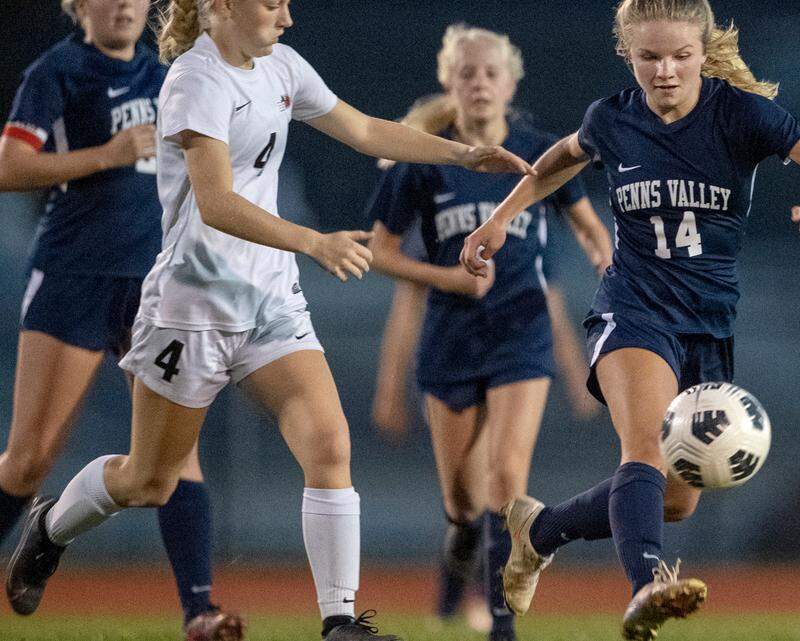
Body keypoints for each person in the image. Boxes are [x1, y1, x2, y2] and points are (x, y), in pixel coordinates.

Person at [4, 2, 533, 640]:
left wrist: (464, 154)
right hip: (192, 309)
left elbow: (364, 130)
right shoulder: (194, 80)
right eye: (273, 3)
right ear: (222, 7)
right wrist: (313, 243)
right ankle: (52, 524)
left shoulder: (279, 65)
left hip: (270, 302)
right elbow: (218, 203)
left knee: (330, 446)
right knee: (148, 479)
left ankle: (340, 622)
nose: (286, 17)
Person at [460, 1, 800, 639]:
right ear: (628, 54)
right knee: (644, 448)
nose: (666, 71)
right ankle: (649, 585)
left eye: (680, 55)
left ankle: (538, 531)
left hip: (706, 324)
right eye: (649, 57)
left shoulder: (740, 114)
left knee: (674, 498)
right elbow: (559, 161)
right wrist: (499, 217)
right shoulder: (612, 118)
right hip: (632, 307)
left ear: (703, 53)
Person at [0, 1, 243, 637]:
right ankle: (42, 525)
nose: (125, 4)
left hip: (154, 287)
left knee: (175, 456)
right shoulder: (57, 70)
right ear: (79, 6)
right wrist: (104, 156)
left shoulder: (173, 74)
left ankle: (200, 612)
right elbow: (9, 165)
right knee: (27, 463)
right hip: (74, 277)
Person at [364, 25, 612, 641]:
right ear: (450, 82)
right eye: (467, 73)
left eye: (490, 73)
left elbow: (587, 228)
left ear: (511, 83)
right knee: (463, 505)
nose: (478, 83)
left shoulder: (537, 153)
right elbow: (380, 253)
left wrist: (607, 260)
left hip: (520, 336)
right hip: (450, 340)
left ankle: (503, 627)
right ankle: (456, 573)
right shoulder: (425, 159)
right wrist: (446, 280)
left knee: (506, 479)